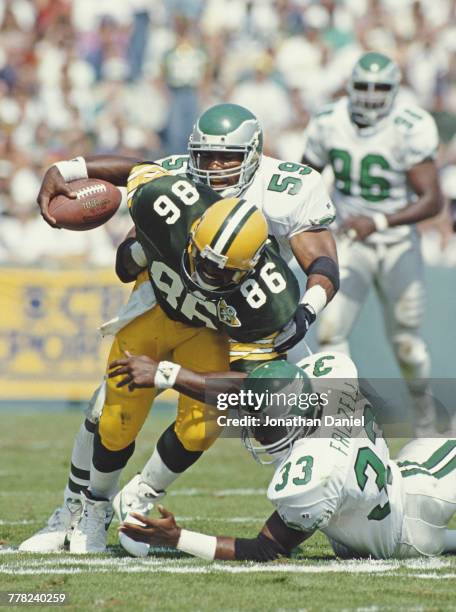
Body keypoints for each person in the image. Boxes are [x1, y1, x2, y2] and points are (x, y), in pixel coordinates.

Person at [20, 104, 339, 554]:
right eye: (204, 156)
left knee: (237, 415)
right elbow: (136, 174)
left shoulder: (289, 188)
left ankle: (145, 495)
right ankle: (77, 509)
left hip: (237, 318)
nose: (213, 167)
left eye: (226, 157)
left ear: (252, 153)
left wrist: (305, 312)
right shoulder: (177, 181)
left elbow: (323, 262)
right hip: (165, 299)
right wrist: (68, 169)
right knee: (108, 407)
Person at [118, 357, 456, 562]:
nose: (254, 430)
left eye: (263, 424)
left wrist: (178, 538)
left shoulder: (314, 472)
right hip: (396, 501)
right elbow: (249, 390)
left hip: (414, 506)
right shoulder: (330, 378)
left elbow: (265, 549)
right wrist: (170, 375)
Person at [300, 52, 443, 435]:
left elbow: (433, 200)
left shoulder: (410, 125)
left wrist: (378, 220)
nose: (370, 94)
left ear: (394, 90)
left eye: (380, 87)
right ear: (350, 86)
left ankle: (426, 419)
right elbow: (306, 179)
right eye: (363, 85)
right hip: (351, 239)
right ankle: (345, 421)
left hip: (397, 242)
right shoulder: (329, 121)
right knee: (331, 331)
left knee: (407, 344)